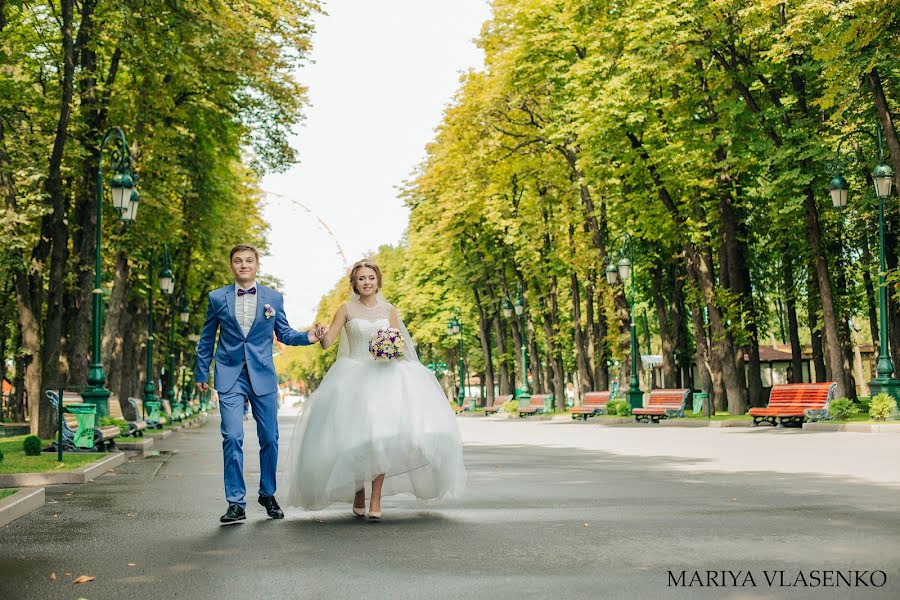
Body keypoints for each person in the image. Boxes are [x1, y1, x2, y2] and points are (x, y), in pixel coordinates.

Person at [283, 259, 465, 520]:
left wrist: (392, 351)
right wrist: (320, 332)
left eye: (370, 277)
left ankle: (376, 497)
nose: (366, 282)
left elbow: (398, 343)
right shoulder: (345, 309)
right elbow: (328, 343)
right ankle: (359, 490)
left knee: (380, 437)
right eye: (361, 278)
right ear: (354, 284)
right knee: (355, 438)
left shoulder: (389, 310)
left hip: (383, 376)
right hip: (351, 376)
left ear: (378, 281)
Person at [195, 244, 325, 524]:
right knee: (232, 436)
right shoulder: (217, 298)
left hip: (263, 375)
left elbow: (285, 333)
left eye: (249, 261)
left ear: (257, 265)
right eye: (238, 261)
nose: (244, 265)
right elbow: (207, 339)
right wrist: (200, 373)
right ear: (232, 265)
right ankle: (235, 503)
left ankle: (267, 493)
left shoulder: (273, 298)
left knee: (269, 438)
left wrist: (309, 337)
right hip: (230, 374)